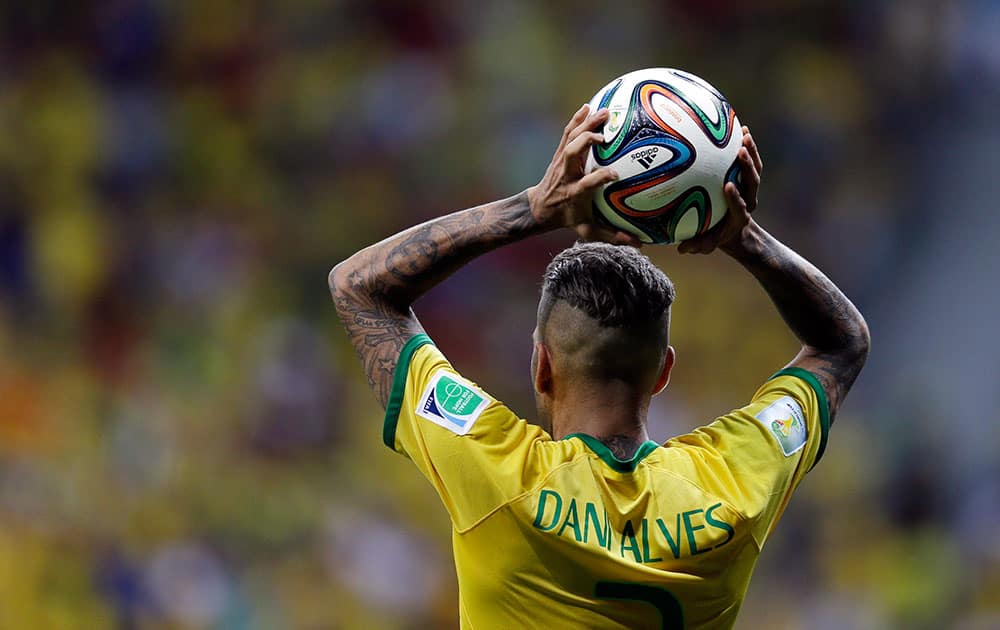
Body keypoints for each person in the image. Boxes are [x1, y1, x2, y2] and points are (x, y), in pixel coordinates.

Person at [328, 103, 870, 629]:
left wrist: (534, 209)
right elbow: (842, 343)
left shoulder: (499, 474)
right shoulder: (732, 487)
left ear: (541, 365)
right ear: (663, 372)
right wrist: (740, 235)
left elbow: (359, 286)